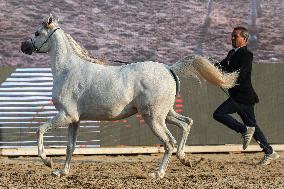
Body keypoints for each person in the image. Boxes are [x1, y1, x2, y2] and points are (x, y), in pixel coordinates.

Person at [213, 26, 279, 165]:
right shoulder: (232, 53)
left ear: (245, 39)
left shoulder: (246, 54)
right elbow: (221, 66)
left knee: (219, 114)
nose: (232, 38)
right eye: (232, 36)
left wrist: (228, 81)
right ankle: (270, 152)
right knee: (253, 126)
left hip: (242, 96)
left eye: (235, 36)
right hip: (240, 96)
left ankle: (243, 130)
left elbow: (243, 74)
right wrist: (211, 65)